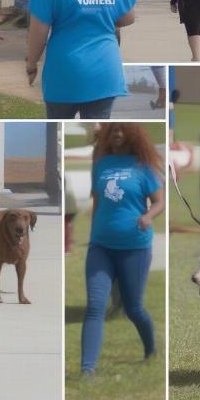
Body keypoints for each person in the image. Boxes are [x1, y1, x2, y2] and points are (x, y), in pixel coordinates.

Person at [81, 123, 165, 374]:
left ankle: (151, 349)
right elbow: (97, 202)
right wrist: (94, 232)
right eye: (112, 130)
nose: (116, 134)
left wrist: (149, 216)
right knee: (95, 305)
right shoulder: (101, 166)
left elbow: (160, 202)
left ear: (132, 135)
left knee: (133, 308)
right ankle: (87, 370)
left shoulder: (144, 167)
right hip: (101, 246)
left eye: (121, 130)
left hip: (134, 247)